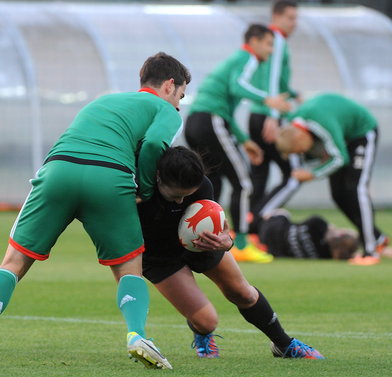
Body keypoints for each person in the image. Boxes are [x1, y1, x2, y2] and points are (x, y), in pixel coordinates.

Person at [0, 52, 191, 370]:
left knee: (14, 262)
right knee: (130, 268)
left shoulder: (103, 102)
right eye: (181, 96)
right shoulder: (164, 109)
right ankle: (137, 335)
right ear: (170, 85)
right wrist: (144, 191)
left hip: (59, 171)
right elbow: (156, 143)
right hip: (109, 177)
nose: (179, 105)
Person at [138, 146, 324, 359]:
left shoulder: (202, 186)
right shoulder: (136, 193)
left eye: (186, 195)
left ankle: (284, 344)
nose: (181, 201)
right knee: (207, 321)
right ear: (158, 177)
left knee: (243, 293)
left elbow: (216, 226)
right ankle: (202, 335)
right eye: (177, 195)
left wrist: (226, 242)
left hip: (202, 245)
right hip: (160, 257)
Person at [184, 24, 290, 264]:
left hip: (196, 122)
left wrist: (244, 141)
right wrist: (267, 99)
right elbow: (237, 86)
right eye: (268, 44)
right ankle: (241, 243)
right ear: (254, 41)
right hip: (211, 120)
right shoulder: (248, 58)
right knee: (243, 182)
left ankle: (199, 238)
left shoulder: (236, 60)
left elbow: (227, 108)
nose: (271, 51)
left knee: (212, 183)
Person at [270, 93, 392, 266]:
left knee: (357, 189)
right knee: (338, 194)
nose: (302, 154)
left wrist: (312, 174)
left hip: (362, 133)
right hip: (341, 138)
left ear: (300, 137)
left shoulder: (322, 125)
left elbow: (340, 158)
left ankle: (371, 251)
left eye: (299, 150)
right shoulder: (294, 124)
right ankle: (377, 238)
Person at [249, 1, 302, 219]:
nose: (294, 23)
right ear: (276, 16)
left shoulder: (265, 41)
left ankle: (248, 230)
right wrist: (273, 116)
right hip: (269, 116)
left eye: (295, 18)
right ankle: (261, 217)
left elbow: (271, 79)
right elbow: (271, 79)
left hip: (256, 115)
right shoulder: (276, 39)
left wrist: (292, 92)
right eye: (290, 18)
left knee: (259, 174)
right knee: (294, 174)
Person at [257, 209, 360, 260]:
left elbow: (331, 228)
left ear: (341, 234)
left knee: (284, 212)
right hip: (270, 249)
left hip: (270, 227)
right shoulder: (325, 256)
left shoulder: (318, 223)